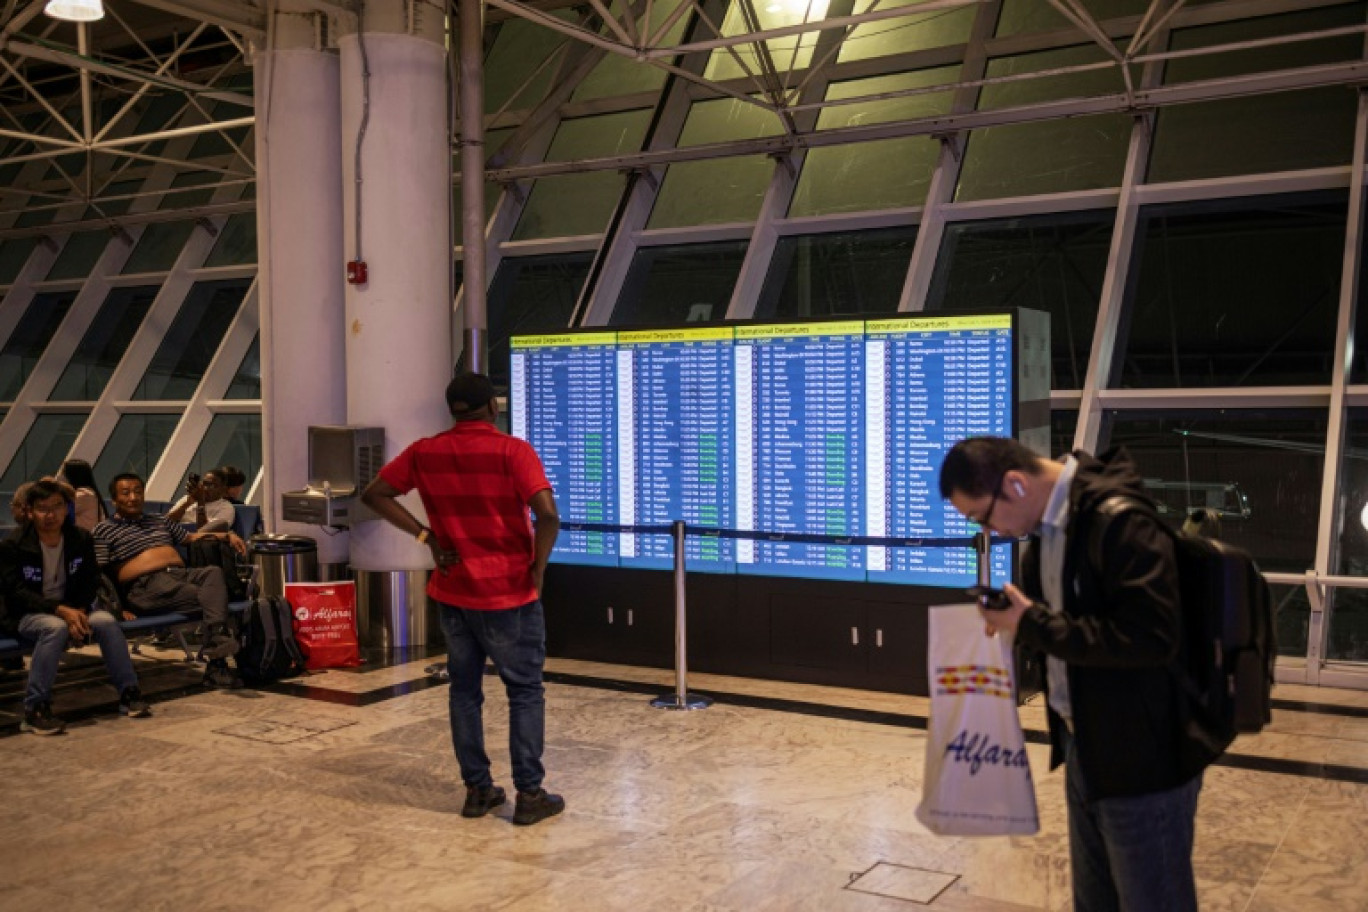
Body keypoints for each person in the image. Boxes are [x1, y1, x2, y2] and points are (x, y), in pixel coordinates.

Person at [938, 436, 1204, 912]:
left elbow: (1152, 639)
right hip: (1086, 747)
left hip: (1145, 756)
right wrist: (1020, 623)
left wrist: (1032, 623)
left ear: (1015, 484)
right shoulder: (1048, 535)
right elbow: (1072, 629)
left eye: (982, 517)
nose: (990, 531)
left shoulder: (1119, 521)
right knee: (1095, 901)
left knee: (1152, 900)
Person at [362, 372, 564, 826]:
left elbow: (374, 494)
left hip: (453, 593)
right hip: (509, 593)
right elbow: (548, 515)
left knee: (464, 692)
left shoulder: (425, 451)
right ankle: (529, 795)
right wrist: (538, 566)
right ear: (492, 407)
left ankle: (477, 790)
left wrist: (425, 536)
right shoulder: (513, 451)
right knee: (525, 692)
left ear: (452, 409)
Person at [0, 479, 151, 734]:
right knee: (55, 628)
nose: (50, 514)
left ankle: (129, 693)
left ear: (66, 508)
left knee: (105, 621)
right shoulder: (13, 546)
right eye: (42, 508)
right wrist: (61, 610)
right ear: (29, 511)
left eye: (57, 507)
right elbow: (16, 593)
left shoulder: (79, 538)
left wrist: (79, 610)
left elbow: (91, 579)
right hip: (27, 614)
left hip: (74, 609)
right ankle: (35, 708)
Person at [92, 472, 248, 688]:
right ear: (115, 500)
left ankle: (217, 645)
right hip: (145, 586)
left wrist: (227, 535)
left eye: (138, 491)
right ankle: (217, 663)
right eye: (126, 493)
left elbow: (191, 537)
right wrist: (117, 607)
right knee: (212, 598)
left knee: (213, 573)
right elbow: (100, 572)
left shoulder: (158, 520)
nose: (133, 497)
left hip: (177, 576)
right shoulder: (104, 530)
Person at [167, 469, 235, 532]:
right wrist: (187, 503)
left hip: (197, 541)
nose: (205, 488)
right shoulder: (188, 498)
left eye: (211, 485)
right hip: (176, 534)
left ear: (223, 489)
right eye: (204, 483)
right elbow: (166, 522)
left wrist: (201, 502)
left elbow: (205, 532)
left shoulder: (226, 507)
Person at [58, 458, 108, 532]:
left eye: (63, 473)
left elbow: (58, 510)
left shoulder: (84, 495)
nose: (60, 476)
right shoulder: (87, 493)